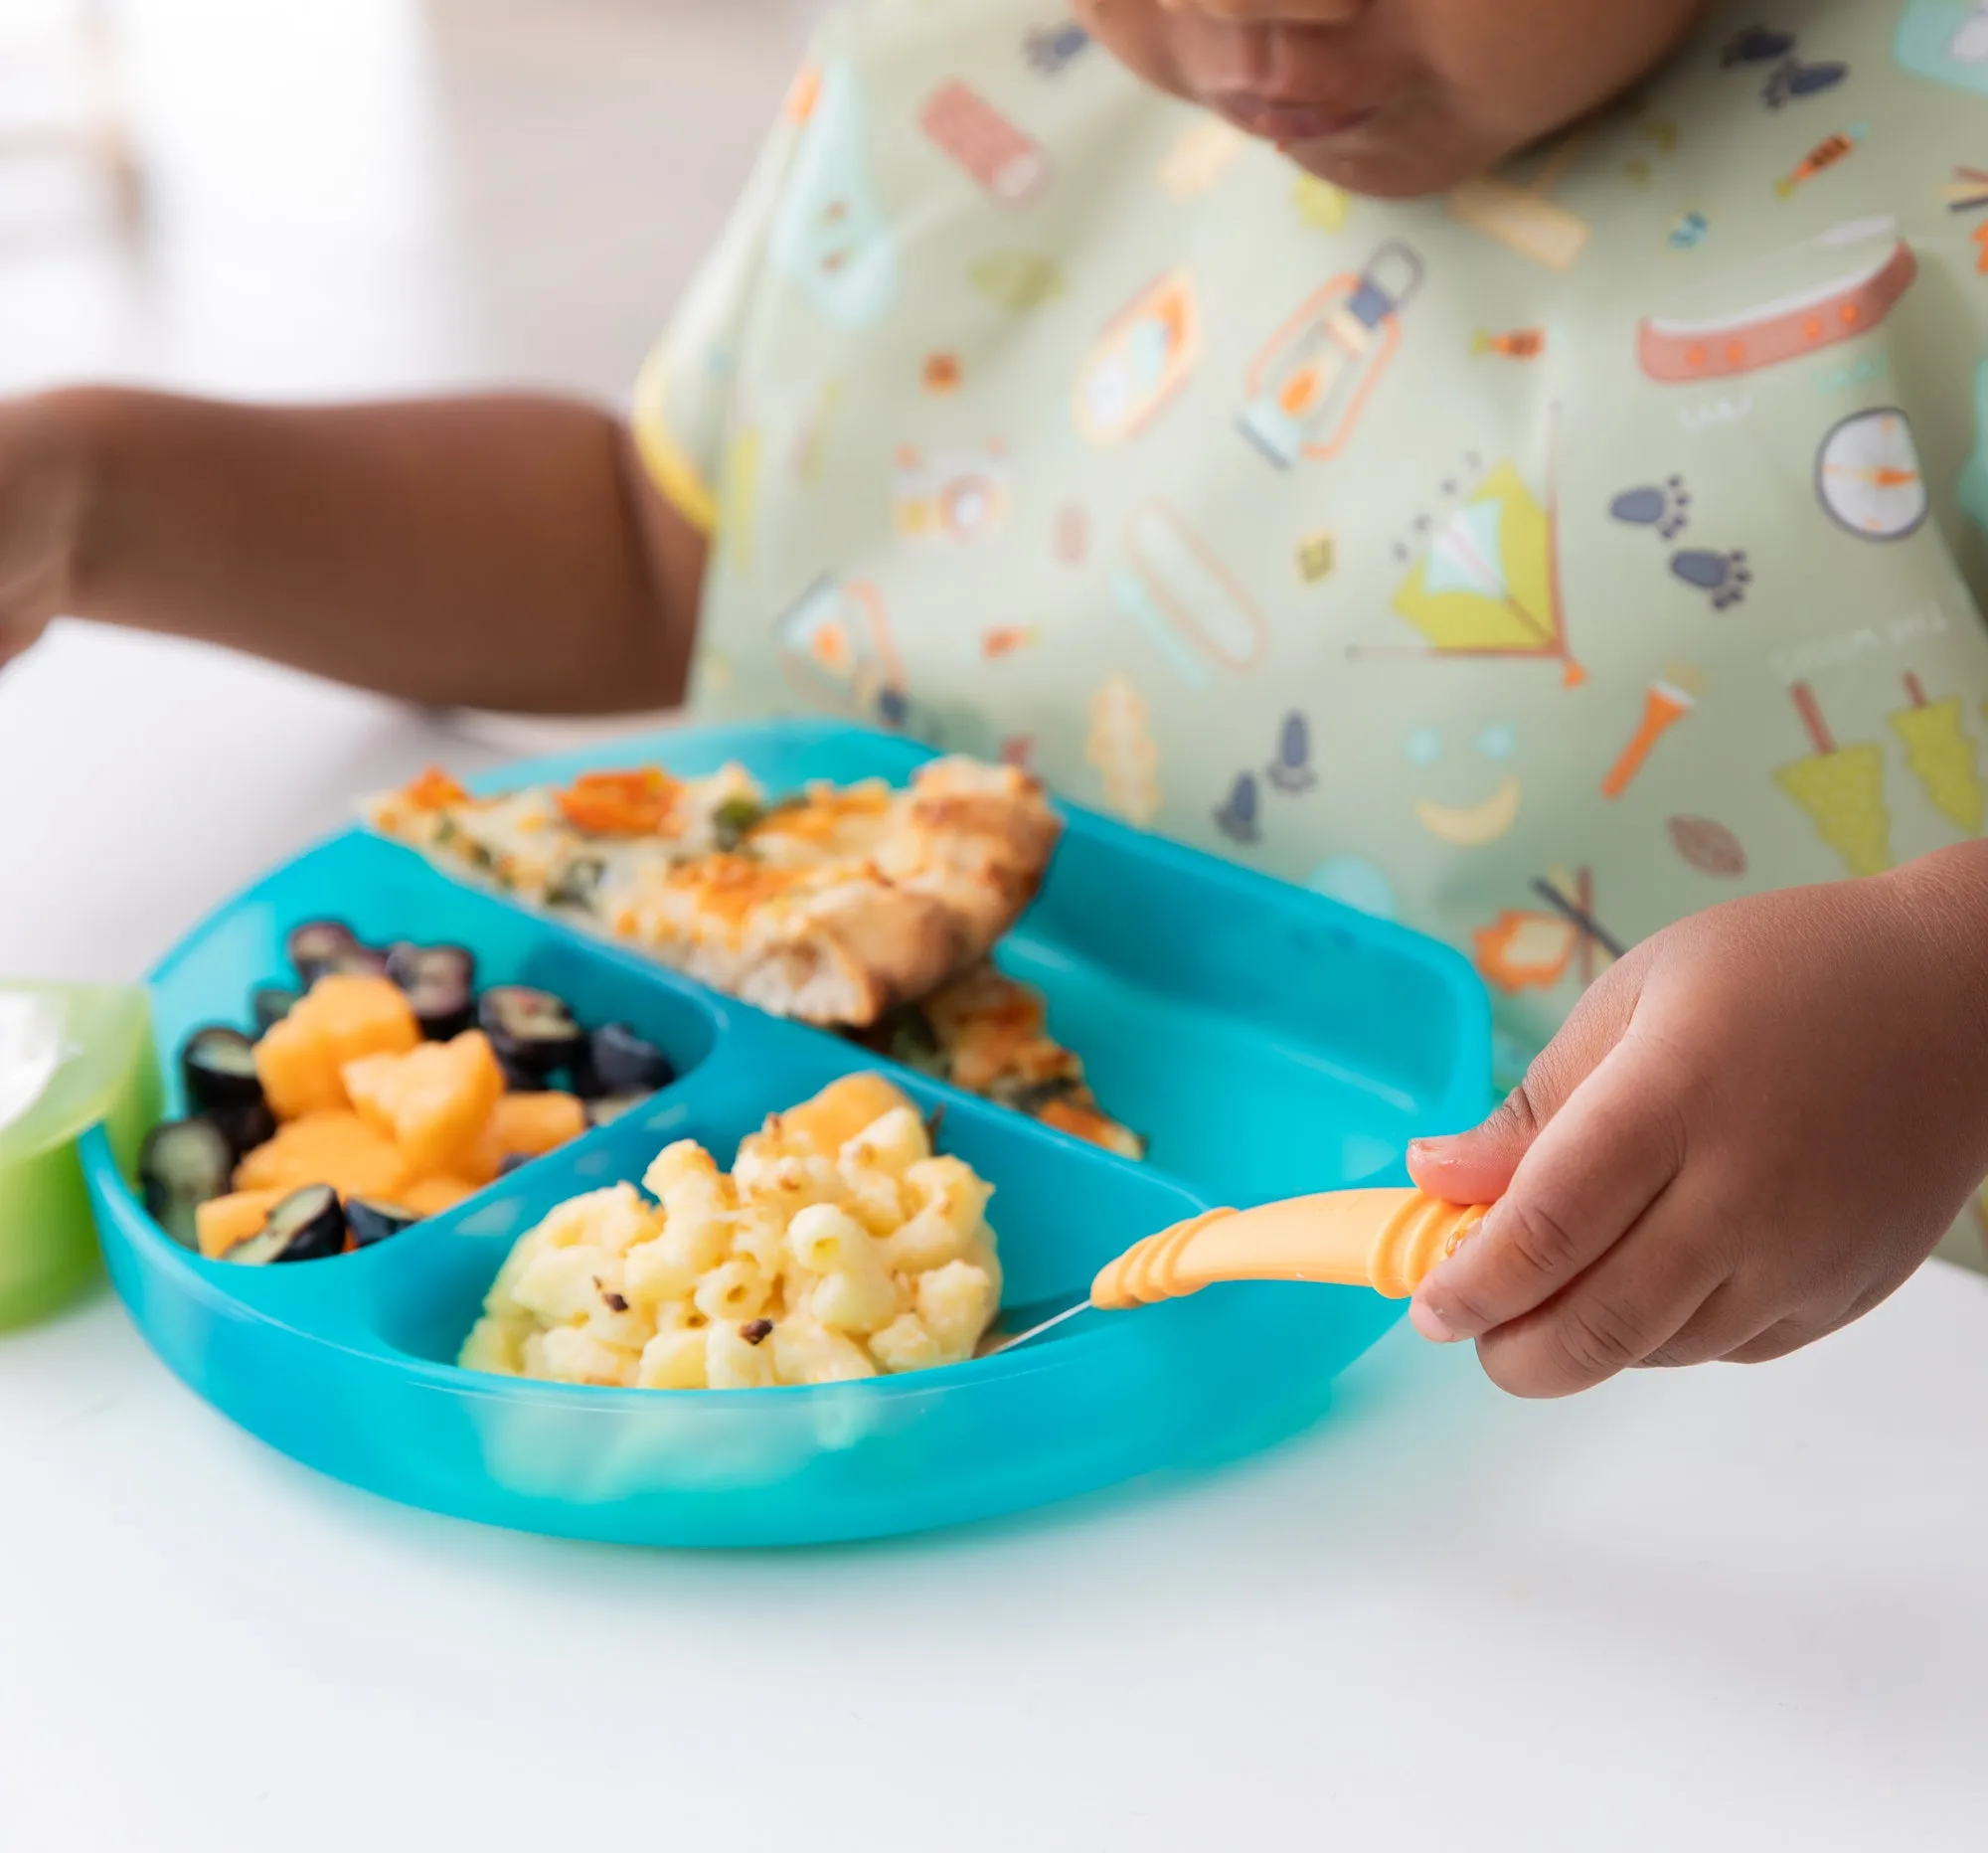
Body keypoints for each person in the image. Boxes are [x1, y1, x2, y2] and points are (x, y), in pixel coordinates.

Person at [4, 0, 1987, 1396]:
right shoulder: (980, 50)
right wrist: (97, 493)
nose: (1257, 14)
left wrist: (1944, 978)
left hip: (1687, 1432)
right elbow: (677, 544)